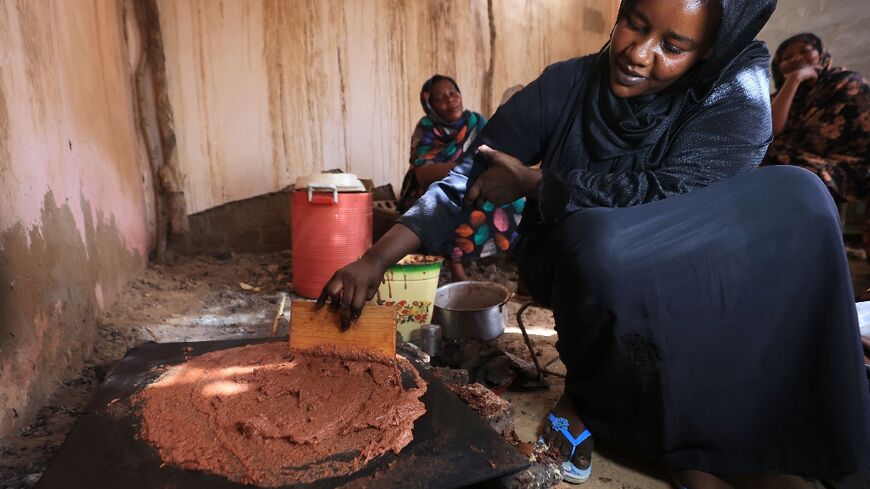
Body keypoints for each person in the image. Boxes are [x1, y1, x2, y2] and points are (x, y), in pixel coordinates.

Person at [319, 0, 870, 487]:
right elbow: (466, 175)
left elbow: (674, 192)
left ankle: (758, 435)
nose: (638, 53)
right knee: (598, 233)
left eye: (672, 47)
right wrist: (373, 260)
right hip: (583, 261)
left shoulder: (732, 88)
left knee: (801, 194)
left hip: (692, 264)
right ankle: (597, 402)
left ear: (706, 53)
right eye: (635, 23)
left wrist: (538, 182)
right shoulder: (566, 85)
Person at [397, 75, 524, 282]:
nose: (450, 100)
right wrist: (464, 168)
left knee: (517, 202)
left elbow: (492, 154)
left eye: (453, 93)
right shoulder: (427, 128)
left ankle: (523, 269)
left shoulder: (475, 122)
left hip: (475, 182)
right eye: (440, 98)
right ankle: (455, 268)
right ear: (430, 104)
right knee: (446, 202)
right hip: (432, 187)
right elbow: (422, 174)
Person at [762, 33, 870, 257]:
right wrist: (794, 81)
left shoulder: (846, 83)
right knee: (753, 175)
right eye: (787, 56)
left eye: (805, 50)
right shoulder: (777, 96)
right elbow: (770, 130)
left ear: (821, 54)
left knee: (798, 180)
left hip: (844, 163)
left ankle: (817, 257)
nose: (796, 58)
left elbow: (846, 135)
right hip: (790, 161)